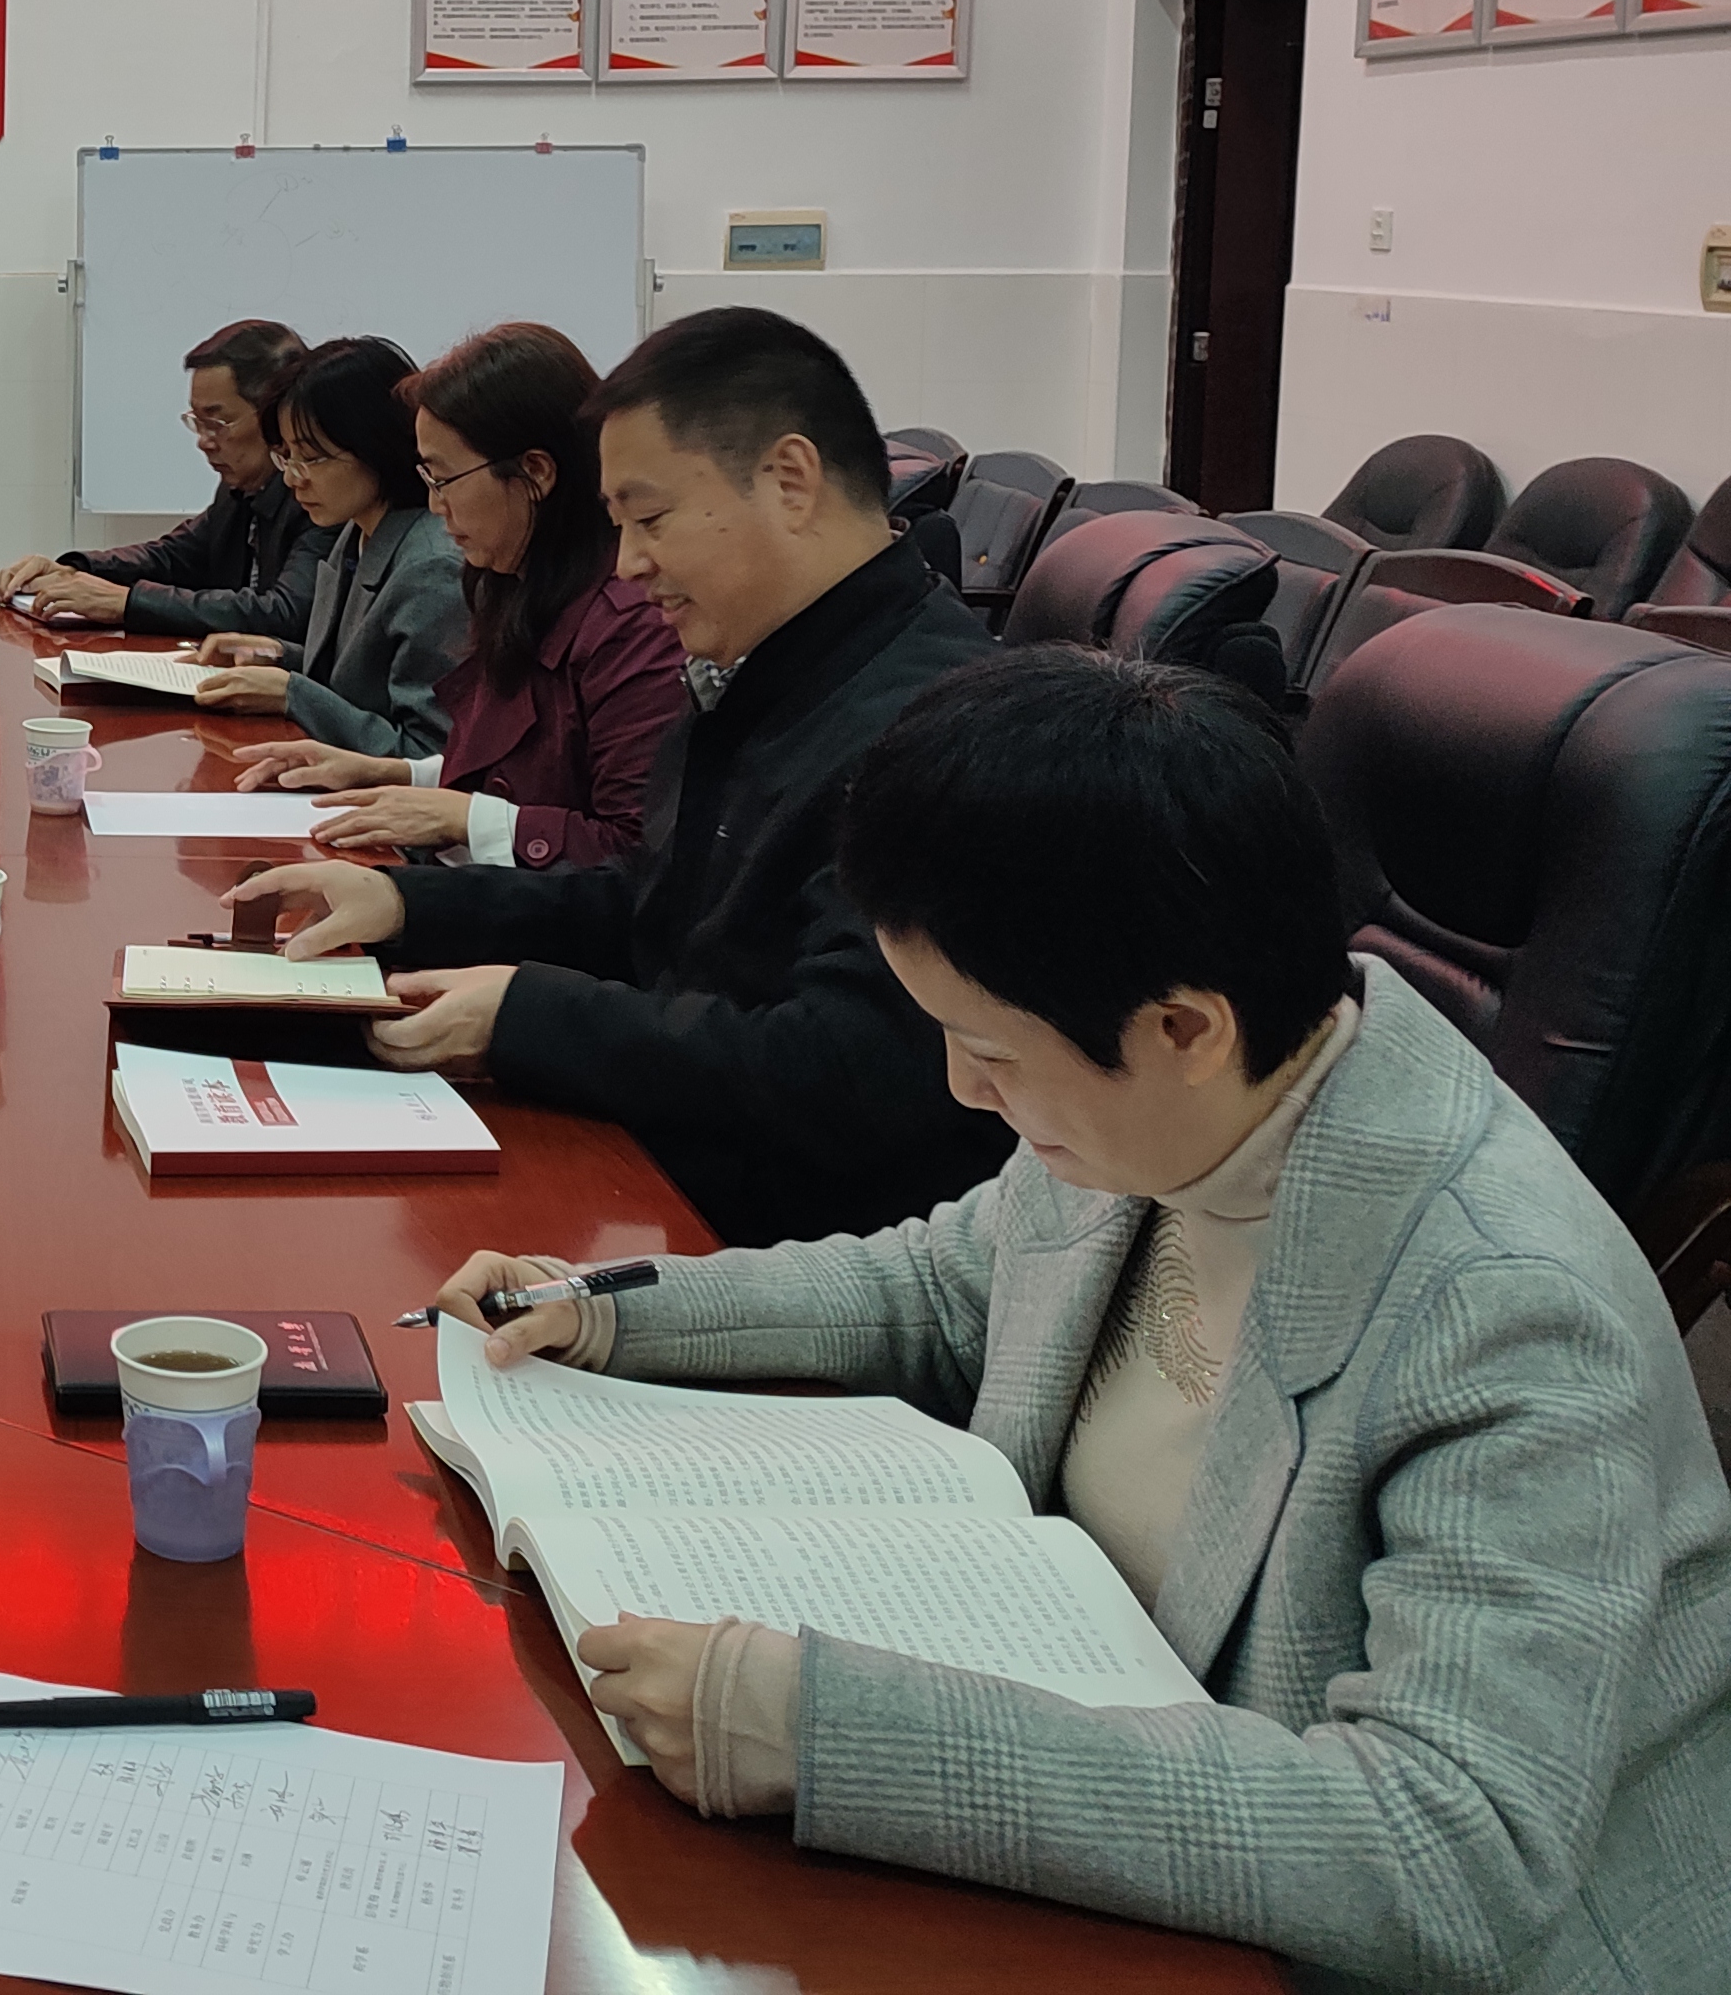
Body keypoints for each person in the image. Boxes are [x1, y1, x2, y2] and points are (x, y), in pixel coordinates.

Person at [434, 650, 1731, 1995]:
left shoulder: (1509, 1311)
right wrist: (602, 1311)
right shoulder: (1180, 1108)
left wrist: (829, 1735)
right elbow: (939, 1287)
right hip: (1133, 1845)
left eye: (992, 1052)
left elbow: (1451, 1848)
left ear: (1181, 1028)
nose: (963, 1089)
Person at [231, 306, 1005, 1246]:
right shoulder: (769, 667)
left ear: (790, 482)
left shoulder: (942, 729)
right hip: (666, 1162)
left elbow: (845, 1069)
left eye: (650, 519)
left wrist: (530, 1018)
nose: (630, 565)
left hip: (782, 1239)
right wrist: (406, 904)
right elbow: (653, 902)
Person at [232, 322, 688, 869]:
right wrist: (393, 773)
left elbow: (635, 858)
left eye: (443, 479)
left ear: (535, 472)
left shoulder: (631, 625)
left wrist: (464, 818)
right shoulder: (509, 579)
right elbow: (511, 773)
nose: (434, 504)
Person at [183, 336, 466, 759]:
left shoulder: (432, 566)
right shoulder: (357, 532)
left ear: (375, 445)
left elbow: (426, 753)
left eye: (311, 457)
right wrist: (275, 656)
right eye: (287, 456)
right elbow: (353, 678)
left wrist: (292, 693)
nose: (292, 478)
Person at [0, 317, 327, 637]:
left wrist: (128, 603)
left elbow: (285, 613)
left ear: (275, 418)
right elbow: (173, 557)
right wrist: (74, 570)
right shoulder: (240, 490)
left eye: (216, 423)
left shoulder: (320, 498)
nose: (203, 441)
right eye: (197, 422)